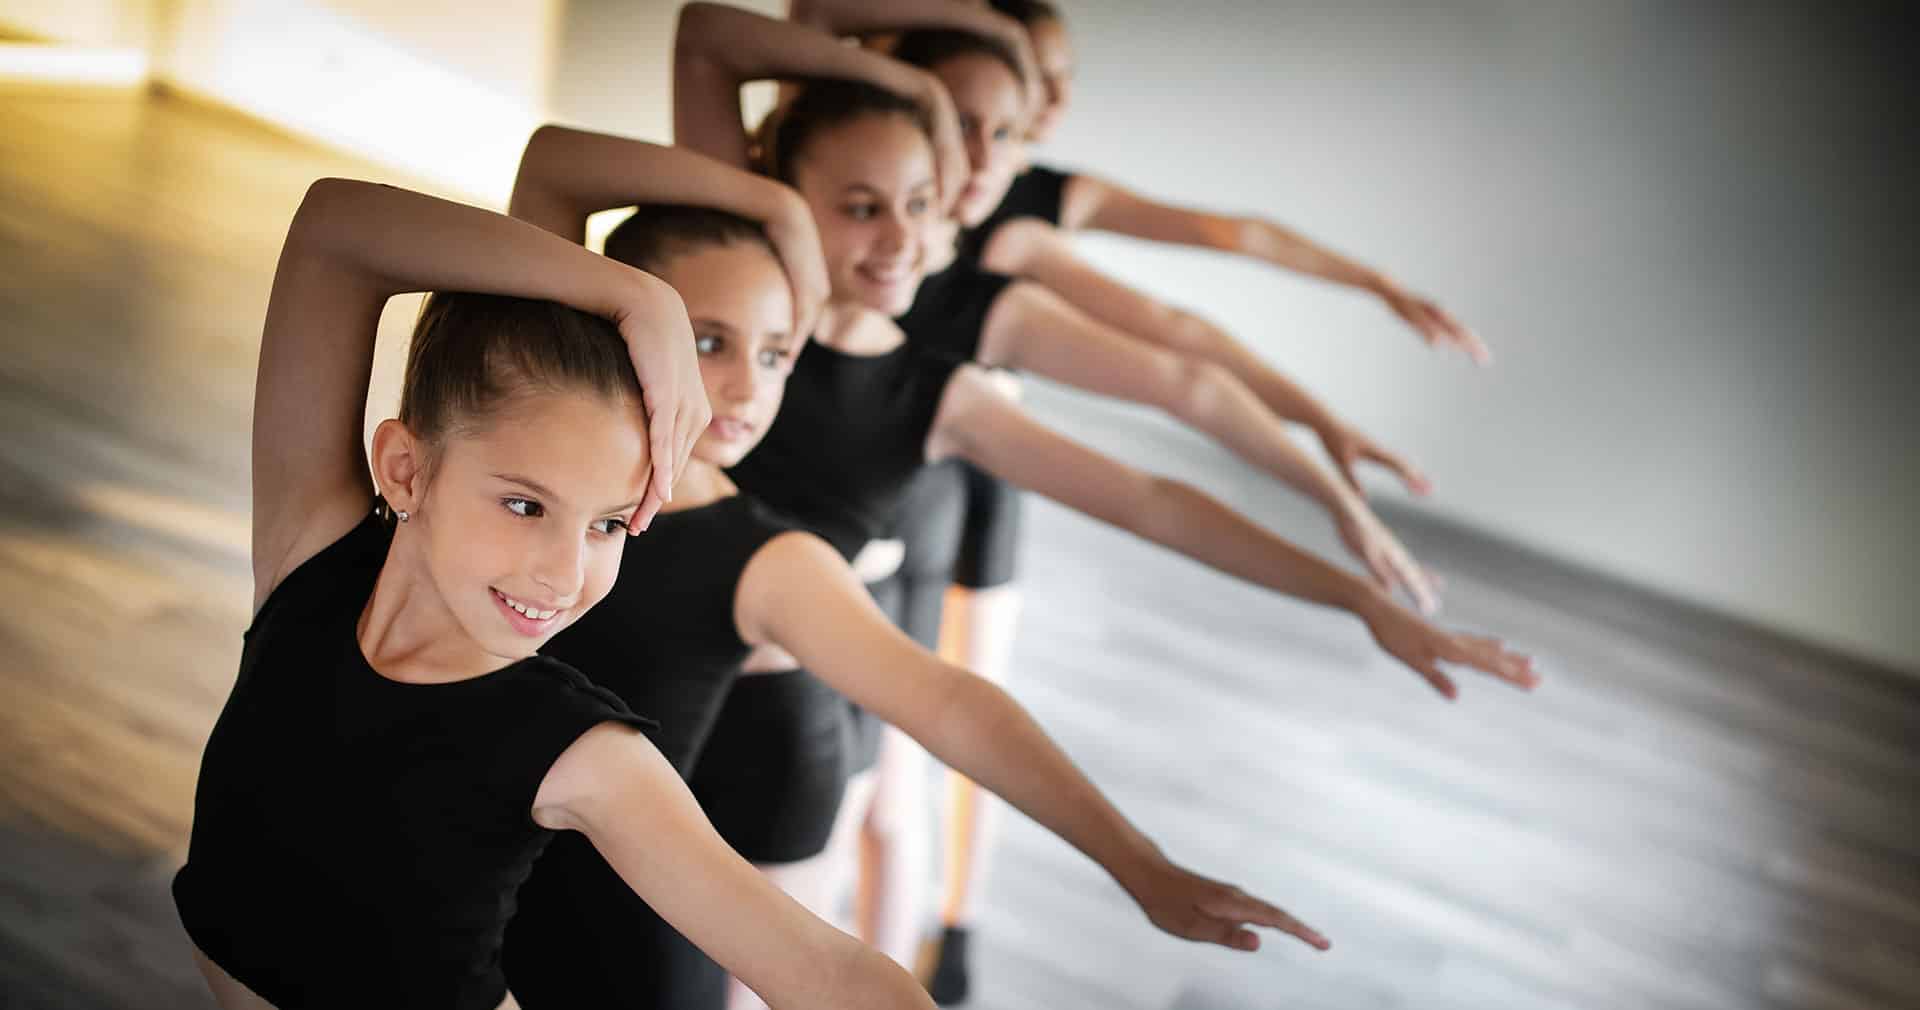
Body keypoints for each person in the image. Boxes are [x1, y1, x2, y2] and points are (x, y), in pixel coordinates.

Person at [674, 3, 1539, 996]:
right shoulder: (738, 262)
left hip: (779, 715)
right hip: (640, 668)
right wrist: (926, 76)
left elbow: (1154, 496)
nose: (905, 231)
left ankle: (949, 937)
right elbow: (710, 36)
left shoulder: (939, 383)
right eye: (869, 201)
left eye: (922, 198)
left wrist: (1353, 585)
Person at [498, 126, 1331, 1010]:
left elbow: (947, 699)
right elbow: (554, 165)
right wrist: (781, 207)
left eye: (777, 352)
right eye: (706, 340)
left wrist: (1134, 859)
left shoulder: (758, 554)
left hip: (610, 963)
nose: (747, 387)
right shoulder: (513, 421)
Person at [169, 177, 939, 1010]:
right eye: (526, 505)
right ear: (406, 467)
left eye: (609, 525)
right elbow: (334, 228)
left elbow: (830, 972)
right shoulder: (308, 559)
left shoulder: (581, 750)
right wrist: (640, 299)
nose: (565, 575)